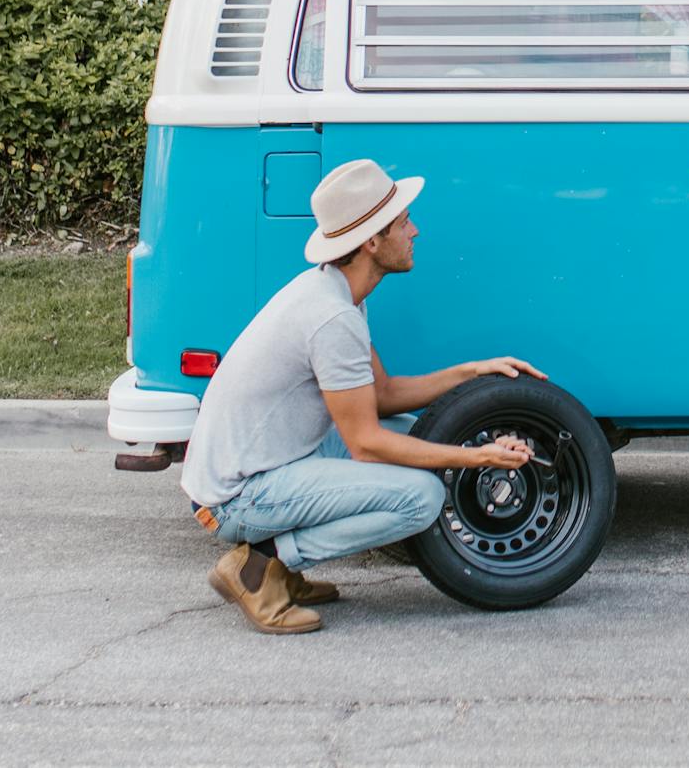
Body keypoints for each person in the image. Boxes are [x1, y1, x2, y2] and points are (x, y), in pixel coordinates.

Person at [179, 157, 544, 634]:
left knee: (412, 434)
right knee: (421, 495)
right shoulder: (331, 318)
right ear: (372, 242)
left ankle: (279, 570)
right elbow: (365, 445)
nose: (415, 231)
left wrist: (473, 371)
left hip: (274, 460)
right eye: (404, 222)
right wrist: (476, 458)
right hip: (235, 496)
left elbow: (384, 394)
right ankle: (261, 565)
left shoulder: (338, 293)